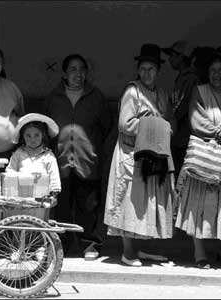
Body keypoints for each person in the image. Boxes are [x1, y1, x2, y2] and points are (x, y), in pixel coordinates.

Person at [104, 43, 175, 267]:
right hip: (131, 154)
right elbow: (125, 124)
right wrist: (155, 125)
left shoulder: (162, 94)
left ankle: (138, 248)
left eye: (151, 69)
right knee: (128, 202)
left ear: (158, 71)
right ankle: (127, 252)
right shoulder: (131, 91)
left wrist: (166, 128)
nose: (146, 73)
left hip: (152, 156)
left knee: (144, 204)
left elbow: (169, 120)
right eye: (143, 69)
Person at [174, 46, 221, 269]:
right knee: (198, 206)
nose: (217, 74)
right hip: (204, 158)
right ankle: (200, 252)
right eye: (213, 70)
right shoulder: (200, 91)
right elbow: (196, 121)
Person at [45, 54, 112, 261]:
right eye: (73, 69)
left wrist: (93, 148)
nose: (78, 73)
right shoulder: (53, 97)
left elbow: (107, 126)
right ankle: (62, 244)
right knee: (62, 206)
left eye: (82, 69)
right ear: (65, 73)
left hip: (88, 160)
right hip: (61, 161)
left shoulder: (96, 97)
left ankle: (89, 243)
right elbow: (45, 128)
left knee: (89, 206)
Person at [162, 40, 200, 180]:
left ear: (182, 57)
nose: (170, 59)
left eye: (173, 55)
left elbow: (181, 108)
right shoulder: (181, 78)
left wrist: (167, 121)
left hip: (184, 138)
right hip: (178, 138)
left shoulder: (190, 79)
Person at [6, 113, 61, 198]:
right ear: (23, 137)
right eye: (28, 136)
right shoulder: (19, 153)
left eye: (36, 135)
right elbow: (10, 171)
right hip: (21, 197)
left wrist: (54, 191)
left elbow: (54, 175)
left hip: (42, 198)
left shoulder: (48, 156)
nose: (32, 139)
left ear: (43, 135)